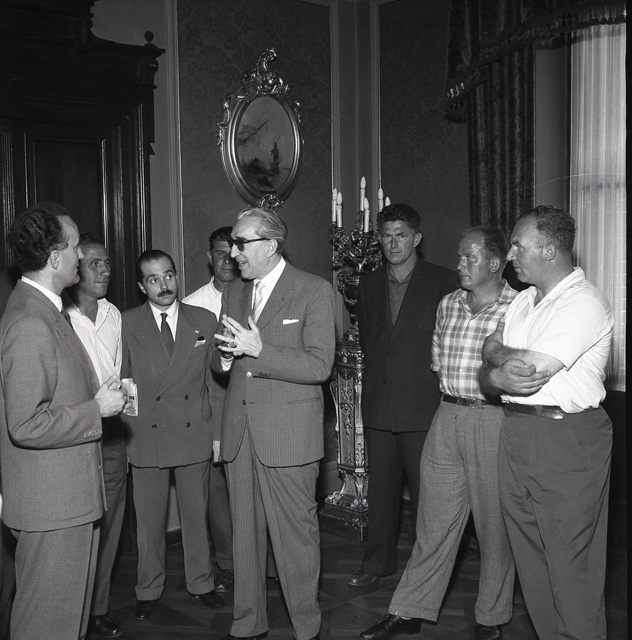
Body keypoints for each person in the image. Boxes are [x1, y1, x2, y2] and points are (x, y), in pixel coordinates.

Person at [359, 227, 517, 640]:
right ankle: (410, 610)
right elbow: (437, 361)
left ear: (495, 264)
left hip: (493, 420)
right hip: (446, 415)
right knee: (433, 523)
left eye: (469, 257)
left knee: (494, 526)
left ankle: (491, 616)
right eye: (459, 256)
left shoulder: (520, 308)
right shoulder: (448, 304)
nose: (460, 264)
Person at [479, 205, 613, 640]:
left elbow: (527, 371)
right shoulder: (523, 300)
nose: (510, 255)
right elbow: (489, 356)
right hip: (516, 430)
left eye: (518, 246)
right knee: (532, 561)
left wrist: (497, 362)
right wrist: (496, 367)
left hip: (565, 437)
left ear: (550, 251)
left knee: (571, 568)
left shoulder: (584, 302)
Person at [0, 202, 126, 640]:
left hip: (68, 500)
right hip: (52, 506)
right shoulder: (30, 322)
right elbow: (25, 424)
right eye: (74, 247)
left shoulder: (48, 310)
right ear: (55, 258)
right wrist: (97, 409)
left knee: (67, 623)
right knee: (47, 625)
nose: (81, 255)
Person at [212, 207, 335, 640]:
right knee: (244, 538)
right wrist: (226, 356)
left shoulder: (313, 290)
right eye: (232, 243)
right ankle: (248, 623)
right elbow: (220, 360)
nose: (233, 253)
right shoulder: (234, 292)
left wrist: (259, 349)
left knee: (295, 539)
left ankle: (306, 628)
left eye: (241, 243)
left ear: (270, 245)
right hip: (240, 433)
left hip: (287, 435)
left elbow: (319, 365)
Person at [348, 202, 459, 587]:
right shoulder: (368, 283)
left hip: (423, 404)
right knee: (380, 491)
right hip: (380, 404)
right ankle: (377, 563)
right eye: (386, 236)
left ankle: (425, 573)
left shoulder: (444, 281)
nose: (393, 243)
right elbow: (369, 343)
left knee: (428, 495)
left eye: (401, 235)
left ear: (417, 238)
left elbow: (448, 343)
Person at [121, 249, 224, 620]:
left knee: (197, 517)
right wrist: (125, 431)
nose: (163, 285)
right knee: (149, 522)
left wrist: (217, 434)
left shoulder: (204, 319)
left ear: (176, 275)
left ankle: (202, 582)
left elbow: (215, 384)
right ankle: (148, 589)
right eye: (153, 279)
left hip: (193, 430)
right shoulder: (127, 323)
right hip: (146, 433)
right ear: (141, 286)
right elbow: (123, 379)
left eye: (168, 275)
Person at [65, 233, 126, 639]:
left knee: (110, 524)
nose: (104, 271)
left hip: (113, 435)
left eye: (106, 263)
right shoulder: (58, 316)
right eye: (93, 263)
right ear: (74, 268)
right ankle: (71, 614)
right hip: (75, 434)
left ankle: (98, 609)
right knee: (77, 529)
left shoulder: (112, 314)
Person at [182, 225, 239, 592]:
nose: (227, 260)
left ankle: (262, 561)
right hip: (211, 408)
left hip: (249, 403)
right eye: (220, 253)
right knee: (217, 492)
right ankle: (228, 563)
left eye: (232, 252)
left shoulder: (253, 295)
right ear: (209, 257)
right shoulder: (192, 306)